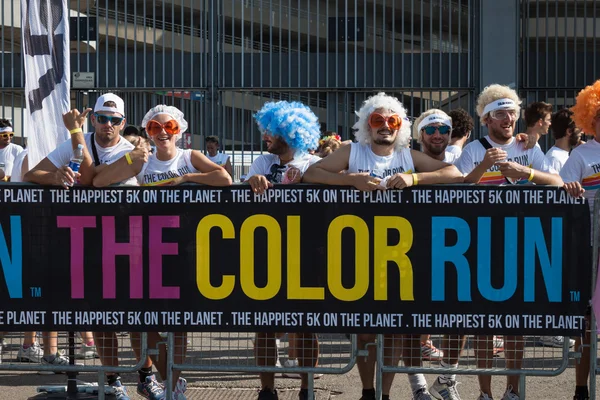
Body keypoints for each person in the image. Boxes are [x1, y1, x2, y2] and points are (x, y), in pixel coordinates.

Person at [304, 92, 463, 400]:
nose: (385, 126)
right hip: (359, 252)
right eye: (378, 121)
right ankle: (367, 391)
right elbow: (313, 173)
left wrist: (413, 179)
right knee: (365, 330)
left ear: (400, 125)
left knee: (391, 330)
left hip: (400, 256)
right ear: (367, 124)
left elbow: (453, 172)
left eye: (392, 121)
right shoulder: (353, 151)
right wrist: (352, 180)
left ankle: (385, 394)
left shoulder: (406, 155)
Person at [454, 84, 562, 400]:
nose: (509, 118)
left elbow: (555, 182)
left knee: (515, 326)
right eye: (501, 113)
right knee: (484, 327)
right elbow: (457, 189)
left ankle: (513, 392)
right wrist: (484, 166)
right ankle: (485, 393)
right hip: (480, 246)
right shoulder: (475, 150)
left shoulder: (528, 148)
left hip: (520, 244)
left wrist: (523, 171)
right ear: (487, 119)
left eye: (512, 112)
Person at [247, 100, 321, 400]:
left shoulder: (313, 164)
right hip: (267, 254)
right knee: (265, 326)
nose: (266, 136)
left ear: (290, 133)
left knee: (305, 327)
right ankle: (267, 390)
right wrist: (250, 181)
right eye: (266, 130)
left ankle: (307, 388)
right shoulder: (263, 163)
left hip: (306, 255)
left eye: (272, 131)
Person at [560, 79, 600, 400]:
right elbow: (563, 194)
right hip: (589, 247)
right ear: (590, 120)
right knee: (586, 322)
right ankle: (581, 388)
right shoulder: (581, 154)